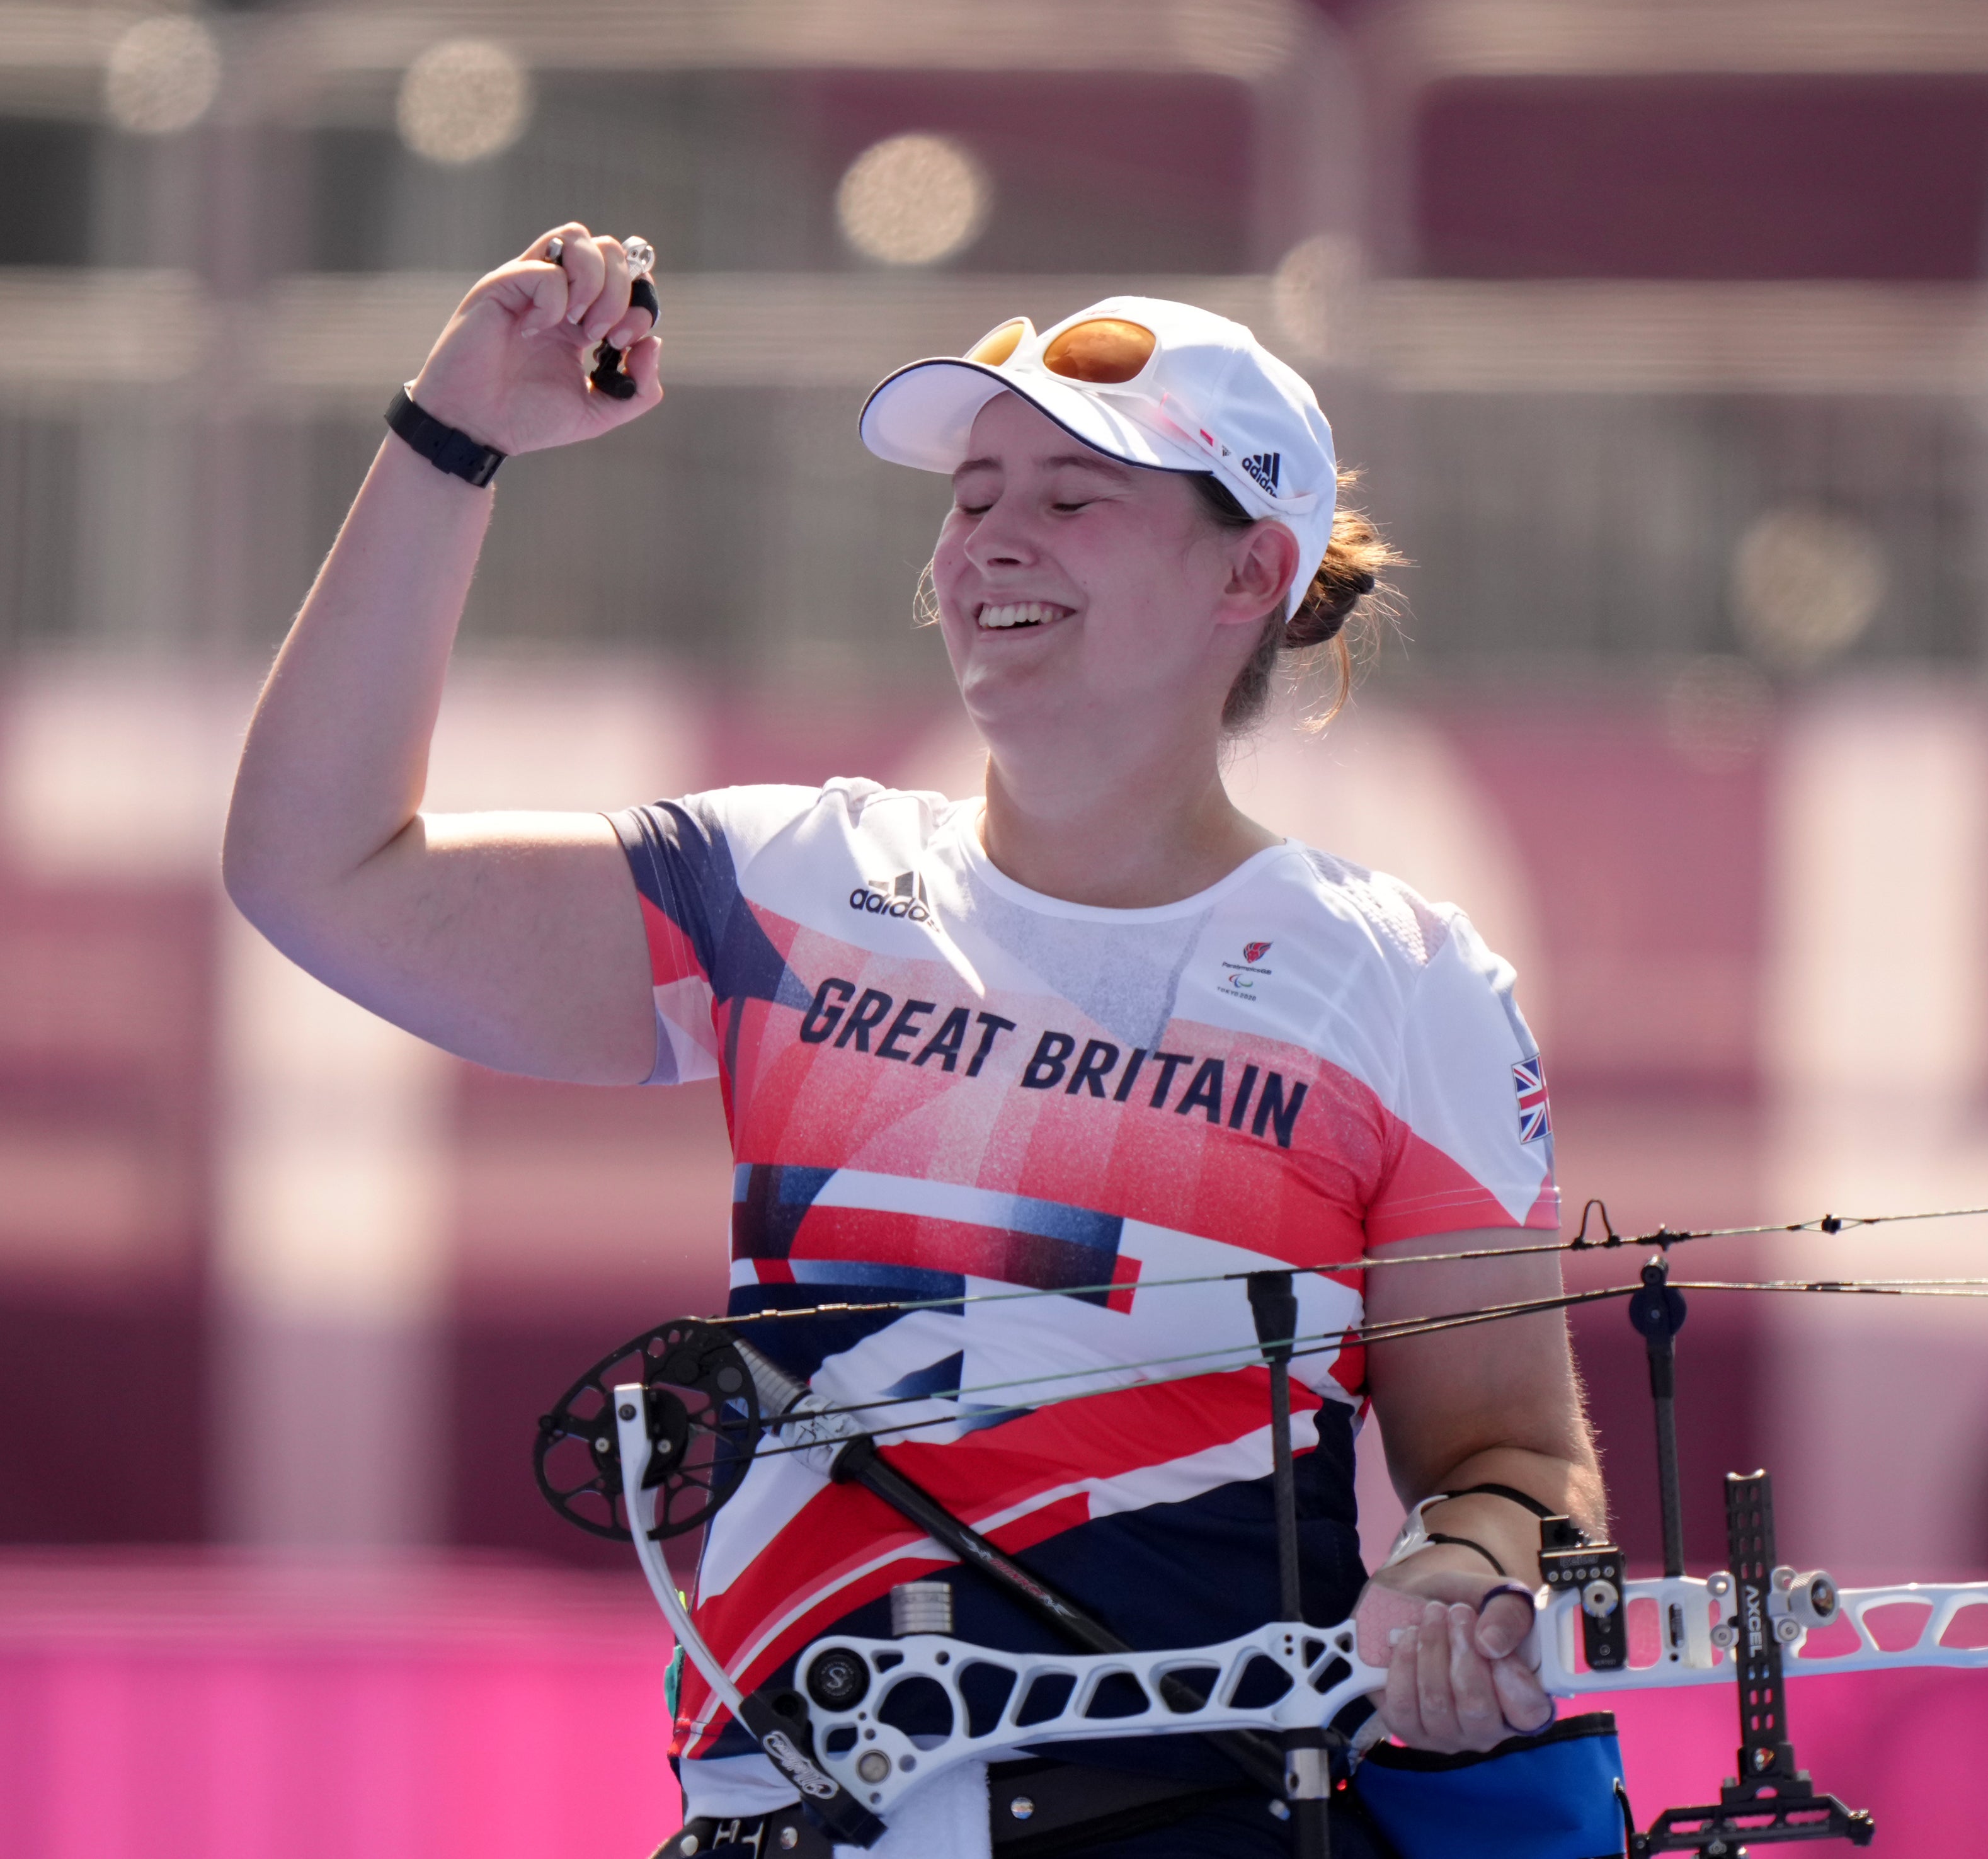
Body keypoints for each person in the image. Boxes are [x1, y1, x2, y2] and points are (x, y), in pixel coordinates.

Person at [223, 224, 1604, 1858]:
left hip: (1189, 1821)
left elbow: (1514, 1455)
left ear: (1252, 575)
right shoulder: (785, 880)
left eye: (1073, 497)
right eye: (969, 499)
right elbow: (317, 872)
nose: (988, 542)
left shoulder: (1406, 979)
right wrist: (455, 440)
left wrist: (1472, 1566)